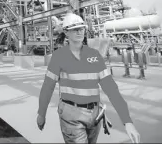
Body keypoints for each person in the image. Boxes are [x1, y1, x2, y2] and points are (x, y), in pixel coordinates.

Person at [37, 13, 140, 143]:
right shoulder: (59, 57)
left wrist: (127, 121)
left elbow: (111, 89)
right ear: (66, 33)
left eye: (82, 28)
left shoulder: (95, 55)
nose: (80, 31)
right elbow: (48, 87)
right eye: (75, 29)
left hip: (95, 115)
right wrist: (41, 113)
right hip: (71, 115)